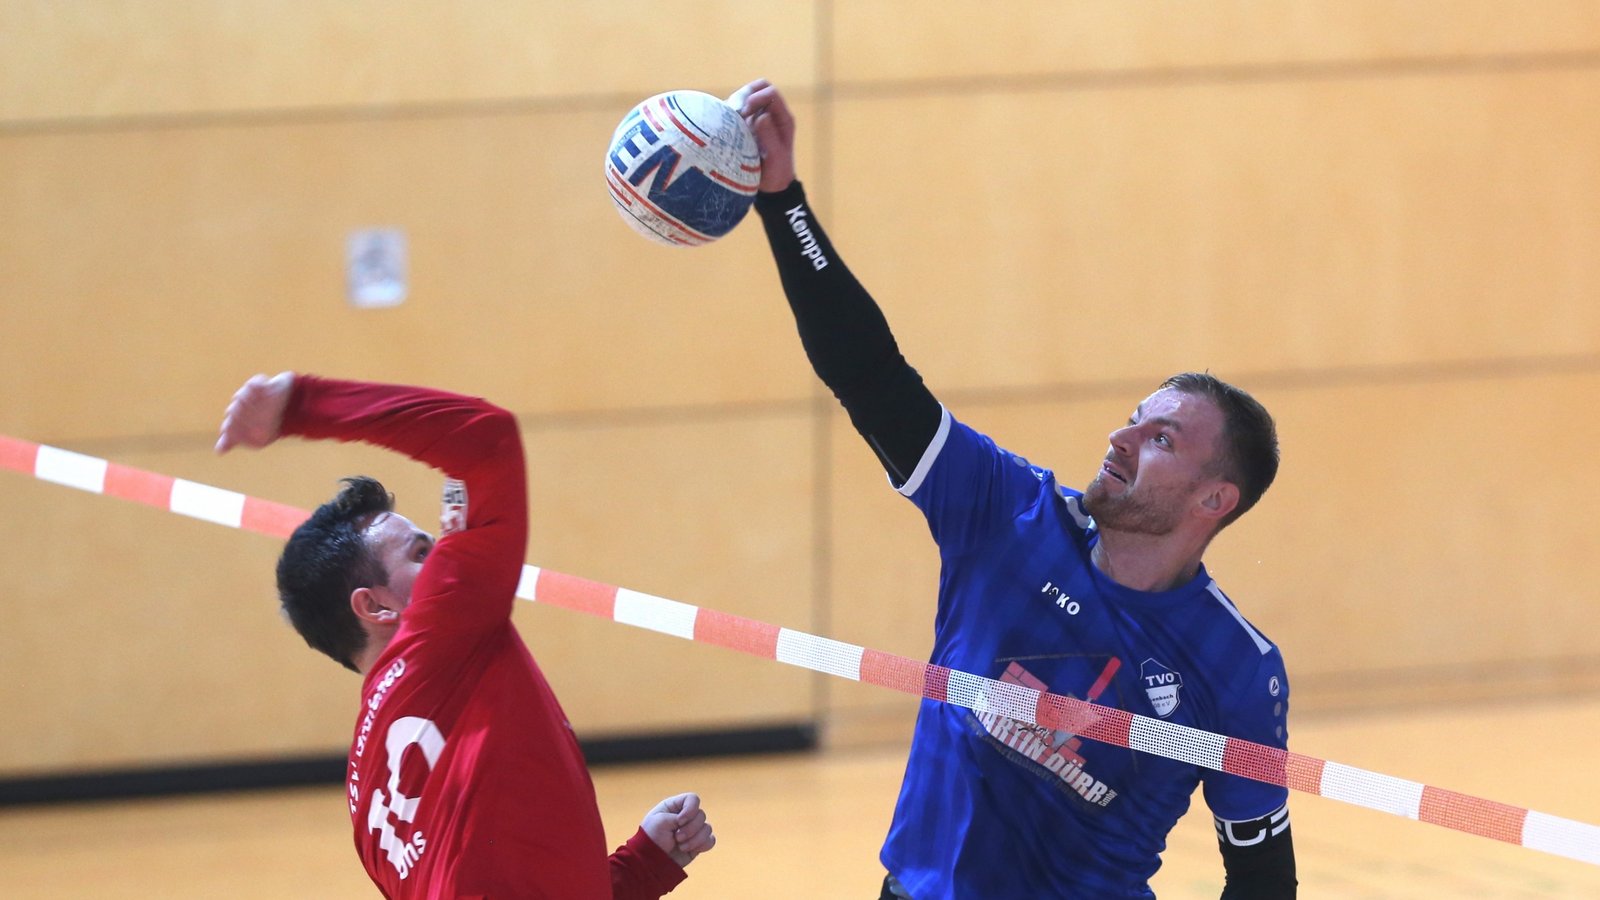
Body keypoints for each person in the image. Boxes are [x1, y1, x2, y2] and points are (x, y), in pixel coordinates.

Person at [730, 79, 1297, 899]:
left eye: (1162, 439)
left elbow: (1261, 877)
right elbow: (868, 375)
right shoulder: (1007, 513)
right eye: (1135, 418)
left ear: (1216, 500)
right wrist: (783, 204)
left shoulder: (1237, 669)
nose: (1121, 438)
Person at [215, 372, 716, 899]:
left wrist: (643, 868)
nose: (443, 559)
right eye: (419, 553)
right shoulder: (440, 629)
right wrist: (304, 405)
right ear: (377, 606)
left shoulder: (365, 800)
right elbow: (488, 437)